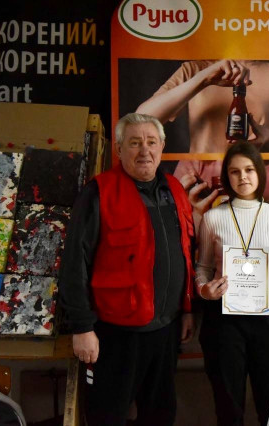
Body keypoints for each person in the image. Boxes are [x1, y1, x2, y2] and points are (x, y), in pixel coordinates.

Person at [59, 113, 196, 425]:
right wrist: (82, 327)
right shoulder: (99, 193)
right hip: (115, 335)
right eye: (135, 143)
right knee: (108, 416)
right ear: (119, 149)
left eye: (151, 142)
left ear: (162, 146)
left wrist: (187, 309)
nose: (144, 150)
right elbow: (74, 264)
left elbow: (186, 253)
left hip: (166, 330)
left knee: (160, 416)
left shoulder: (175, 189)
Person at [136, 59, 269, 224]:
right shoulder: (193, 69)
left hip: (268, 178)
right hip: (201, 182)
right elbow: (139, 121)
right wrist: (204, 79)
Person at [195, 141, 269, 425]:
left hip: (268, 316)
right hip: (224, 318)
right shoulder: (213, 218)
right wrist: (204, 290)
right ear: (226, 176)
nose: (243, 177)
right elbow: (202, 268)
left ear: (260, 172)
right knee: (228, 404)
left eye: (249, 169)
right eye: (235, 171)